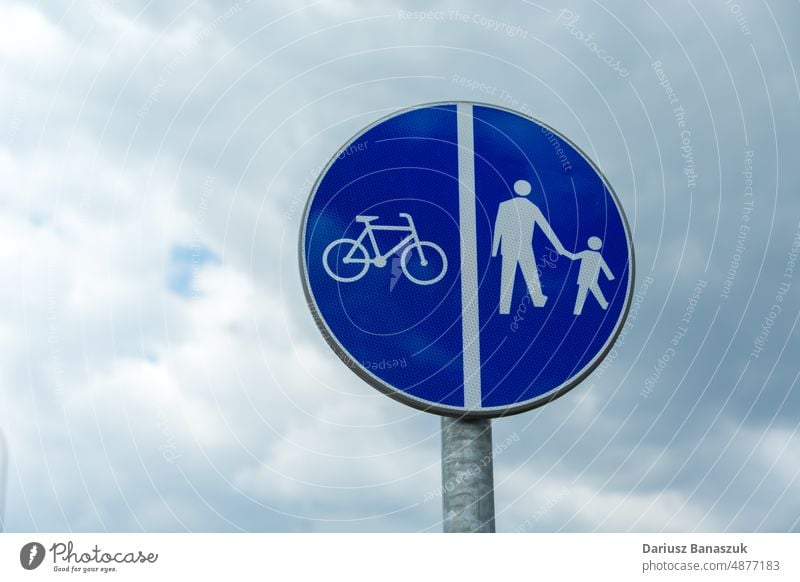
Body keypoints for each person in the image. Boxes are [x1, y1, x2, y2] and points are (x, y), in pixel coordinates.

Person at [492, 179, 569, 314]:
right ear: (527, 191)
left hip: (508, 247)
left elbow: (498, 229)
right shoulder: (532, 207)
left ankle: (504, 307)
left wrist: (494, 250)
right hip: (524, 247)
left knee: (507, 276)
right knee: (531, 274)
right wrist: (559, 248)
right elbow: (547, 229)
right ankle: (538, 300)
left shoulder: (505, 205)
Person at [567, 236, 614, 315]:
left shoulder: (586, 253)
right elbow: (605, 267)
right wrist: (610, 277)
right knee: (593, 291)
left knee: (583, 293)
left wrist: (565, 252)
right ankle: (603, 304)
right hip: (591, 278)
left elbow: (573, 257)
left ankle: (577, 311)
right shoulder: (598, 255)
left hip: (585, 277)